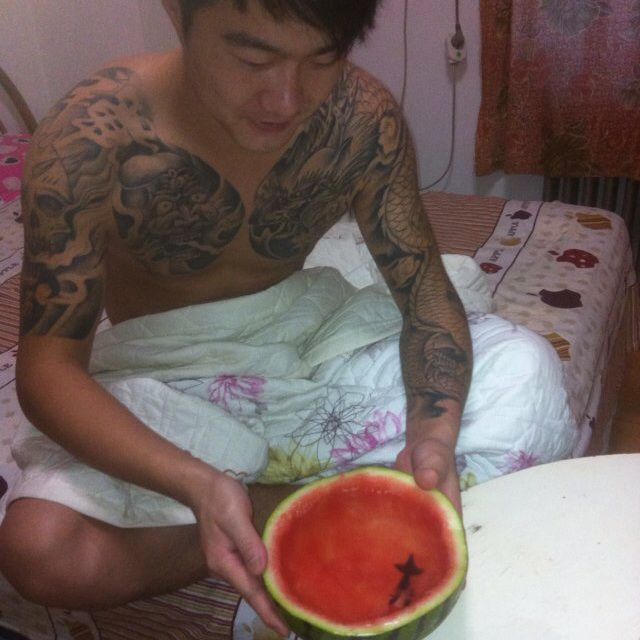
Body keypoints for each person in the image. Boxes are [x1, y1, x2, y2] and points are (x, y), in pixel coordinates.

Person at [0, 0, 472, 633]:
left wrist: (434, 435)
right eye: (253, 59)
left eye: (323, 59)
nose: (286, 99)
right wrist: (198, 484)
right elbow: (47, 374)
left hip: (297, 334)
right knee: (40, 550)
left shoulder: (362, 121)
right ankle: (286, 503)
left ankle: (336, 490)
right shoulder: (90, 140)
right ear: (177, 12)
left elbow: (425, 295)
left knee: (524, 369)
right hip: (167, 366)